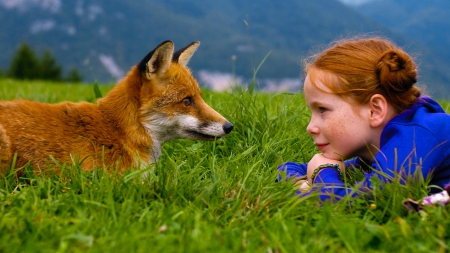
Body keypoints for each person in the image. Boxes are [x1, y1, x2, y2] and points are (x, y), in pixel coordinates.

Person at [278, 36, 450, 201]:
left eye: (323, 109)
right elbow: (287, 169)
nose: (310, 127)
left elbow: (360, 203)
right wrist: (305, 182)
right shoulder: (376, 148)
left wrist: (321, 173)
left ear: (375, 110)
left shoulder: (415, 139)